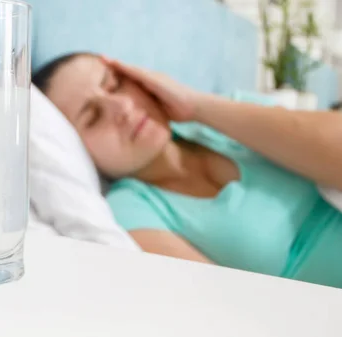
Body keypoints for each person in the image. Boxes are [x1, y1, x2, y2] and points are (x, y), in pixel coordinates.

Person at [32, 52, 342, 288]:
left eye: (116, 84)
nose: (123, 109)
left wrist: (197, 105)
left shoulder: (228, 116)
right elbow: (223, 308)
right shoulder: (133, 212)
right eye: (93, 117)